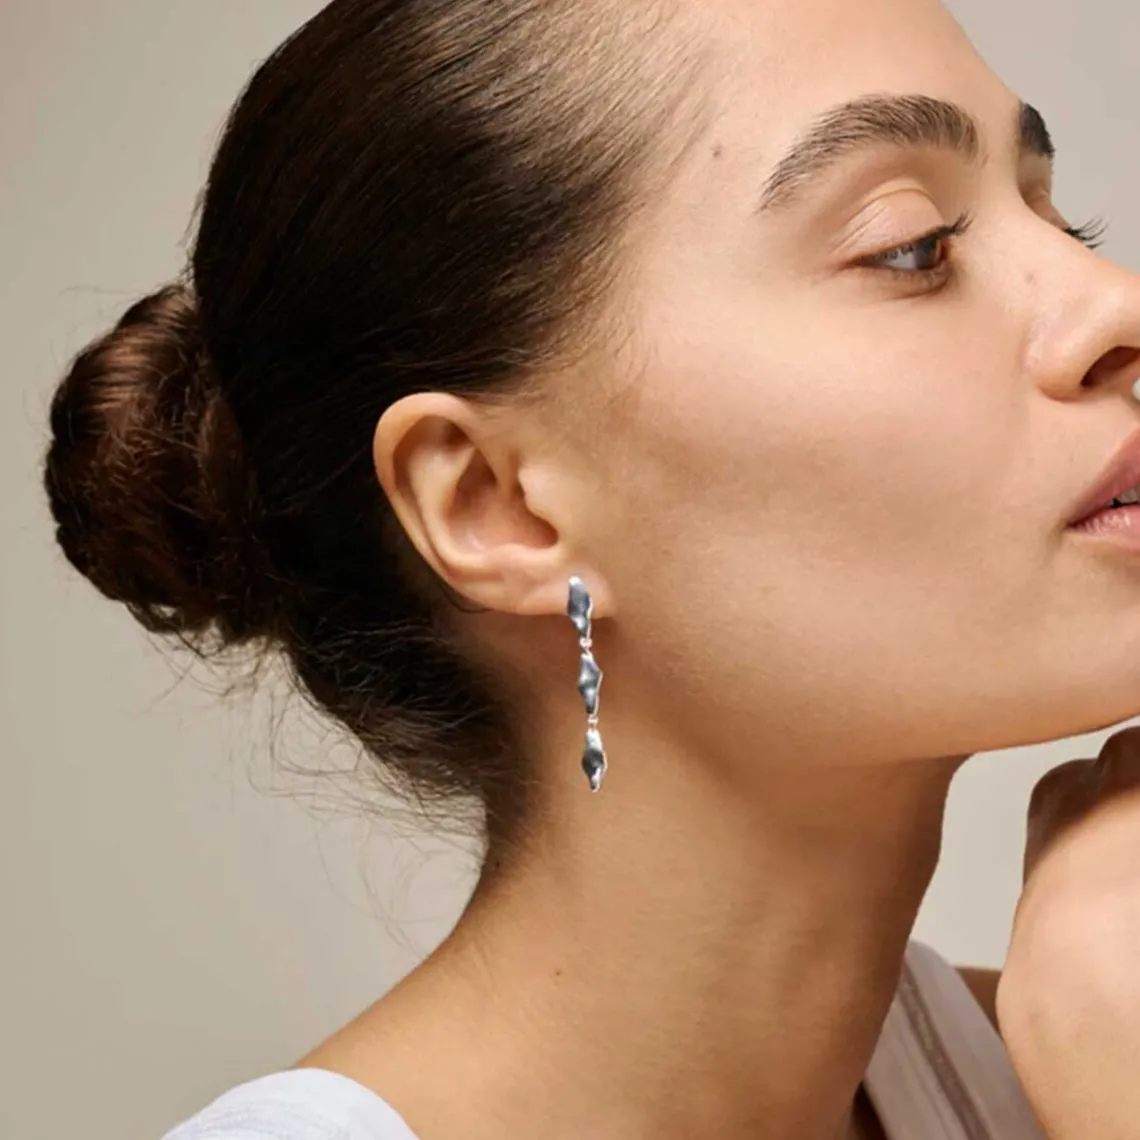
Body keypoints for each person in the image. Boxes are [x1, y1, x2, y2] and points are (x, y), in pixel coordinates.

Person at [40, 0, 1140, 1135]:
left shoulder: (1085, 1056)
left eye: (1056, 215)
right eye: (912, 245)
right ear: (497, 506)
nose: (1118, 301)